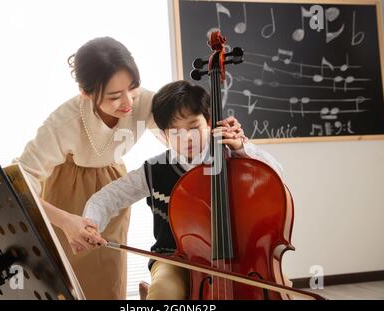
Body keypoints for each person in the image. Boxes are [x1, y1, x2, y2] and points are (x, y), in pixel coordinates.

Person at [81, 80, 284, 299]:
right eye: (175, 132)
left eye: (193, 127)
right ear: (164, 136)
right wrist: (91, 223)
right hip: (173, 258)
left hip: (239, 260)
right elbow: (110, 196)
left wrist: (244, 149)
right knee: (164, 294)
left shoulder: (235, 157)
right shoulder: (155, 169)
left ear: (208, 122)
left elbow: (277, 176)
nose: (187, 138)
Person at [14, 37, 161, 299]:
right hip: (64, 195)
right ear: (86, 92)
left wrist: (220, 130)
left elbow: (185, 127)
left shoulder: (144, 101)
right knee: (63, 284)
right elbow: (20, 182)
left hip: (112, 189)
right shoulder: (63, 122)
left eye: (133, 88)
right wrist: (64, 221)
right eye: (114, 96)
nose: (128, 102)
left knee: (108, 281)